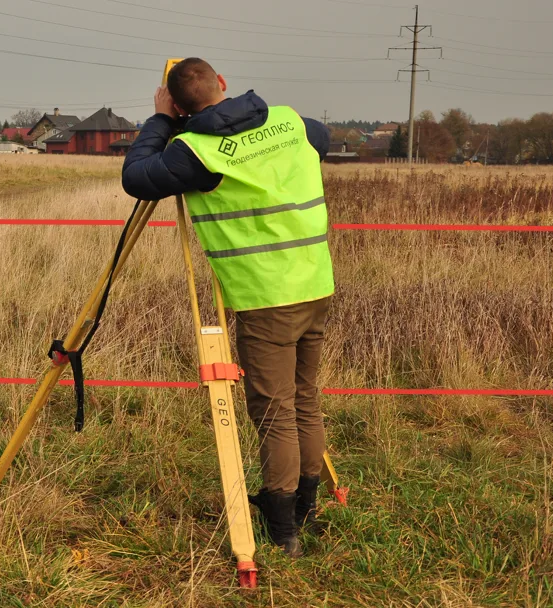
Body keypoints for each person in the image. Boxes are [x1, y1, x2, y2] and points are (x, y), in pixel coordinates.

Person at [121, 58, 333, 558]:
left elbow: (136, 176)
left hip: (265, 298)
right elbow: (320, 139)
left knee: (275, 411)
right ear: (222, 84)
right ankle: (306, 502)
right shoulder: (289, 121)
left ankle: (284, 528)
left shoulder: (195, 151)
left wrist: (159, 122)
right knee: (305, 397)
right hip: (316, 284)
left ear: (176, 104)